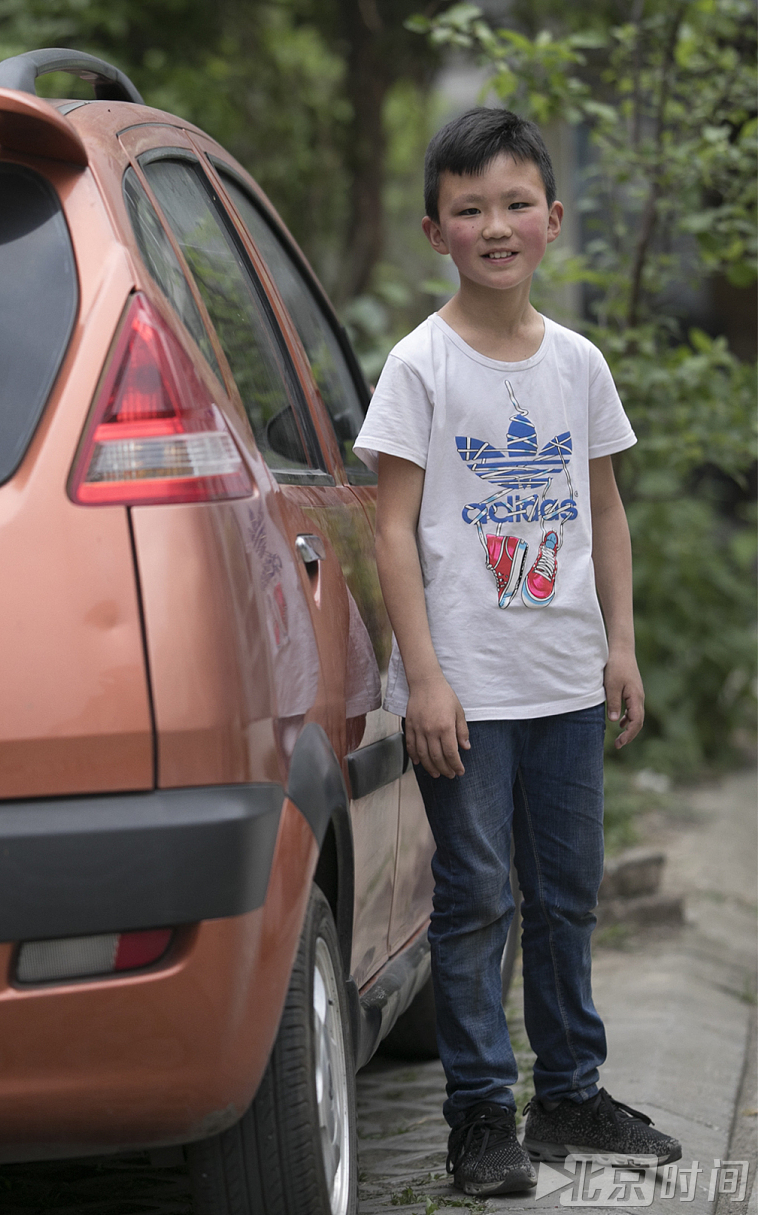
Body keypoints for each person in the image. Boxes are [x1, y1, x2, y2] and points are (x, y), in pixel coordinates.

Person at [353, 107, 681, 1198]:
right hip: (467, 689)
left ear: (550, 217)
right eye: (467, 209)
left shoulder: (577, 364)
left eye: (510, 204)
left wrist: (618, 647)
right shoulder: (419, 366)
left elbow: (605, 509)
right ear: (432, 230)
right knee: (475, 897)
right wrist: (427, 678)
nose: (492, 225)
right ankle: (478, 1119)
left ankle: (571, 1093)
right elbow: (390, 527)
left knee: (565, 891)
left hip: (561, 677)